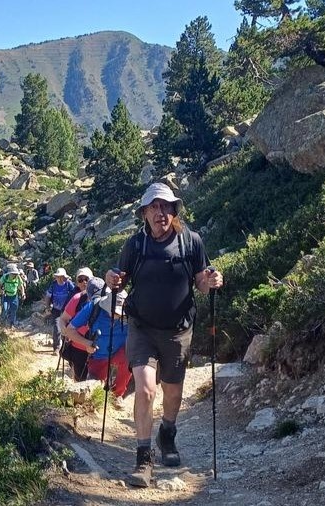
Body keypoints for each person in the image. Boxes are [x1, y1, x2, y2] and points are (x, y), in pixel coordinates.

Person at [105, 182, 223, 487]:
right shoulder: (135, 245)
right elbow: (119, 279)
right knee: (145, 390)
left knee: (172, 393)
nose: (161, 212)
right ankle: (143, 459)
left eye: (167, 206)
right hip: (141, 327)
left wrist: (211, 281)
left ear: (174, 210)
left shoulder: (191, 242)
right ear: (144, 213)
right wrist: (111, 278)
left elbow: (200, 282)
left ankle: (167, 433)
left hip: (177, 330)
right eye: (154, 207)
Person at [64, 287, 130, 406]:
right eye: (113, 311)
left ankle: (117, 395)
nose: (115, 315)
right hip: (99, 354)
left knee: (128, 358)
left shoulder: (132, 312)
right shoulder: (94, 307)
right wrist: (87, 343)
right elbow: (69, 330)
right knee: (94, 386)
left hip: (121, 350)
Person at [56, 268, 97, 381]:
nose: (84, 282)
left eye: (86, 279)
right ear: (77, 282)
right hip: (78, 346)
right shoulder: (77, 298)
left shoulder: (104, 299)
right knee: (80, 380)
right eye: (80, 280)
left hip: (97, 348)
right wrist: (65, 331)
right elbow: (63, 319)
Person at [43, 267, 76, 353]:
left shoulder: (69, 284)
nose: (60, 278)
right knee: (57, 328)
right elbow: (48, 296)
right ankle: (56, 348)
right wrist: (47, 307)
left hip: (67, 310)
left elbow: (75, 294)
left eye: (62, 276)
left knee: (67, 329)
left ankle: (65, 348)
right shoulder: (53, 285)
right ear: (56, 277)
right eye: (59, 276)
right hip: (56, 310)